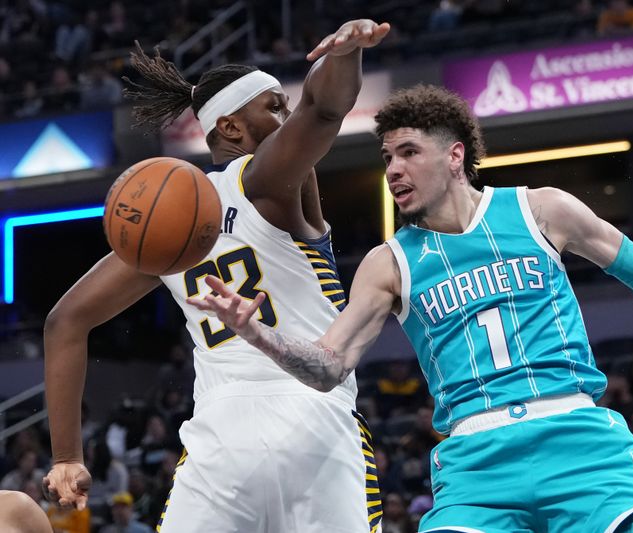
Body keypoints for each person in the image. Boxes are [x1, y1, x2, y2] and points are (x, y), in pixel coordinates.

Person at [191, 84, 633, 533]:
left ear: (453, 156)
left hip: (580, 439)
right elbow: (328, 365)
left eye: (407, 152)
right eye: (386, 156)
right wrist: (256, 331)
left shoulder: (542, 210)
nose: (392, 169)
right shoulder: (388, 262)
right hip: (475, 464)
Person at [42, 19, 390, 533]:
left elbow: (64, 322)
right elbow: (324, 107)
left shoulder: (166, 224)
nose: (286, 116)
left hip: (220, 439)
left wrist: (67, 455)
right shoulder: (271, 181)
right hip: (315, 419)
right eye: (275, 106)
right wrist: (346, 54)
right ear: (230, 126)